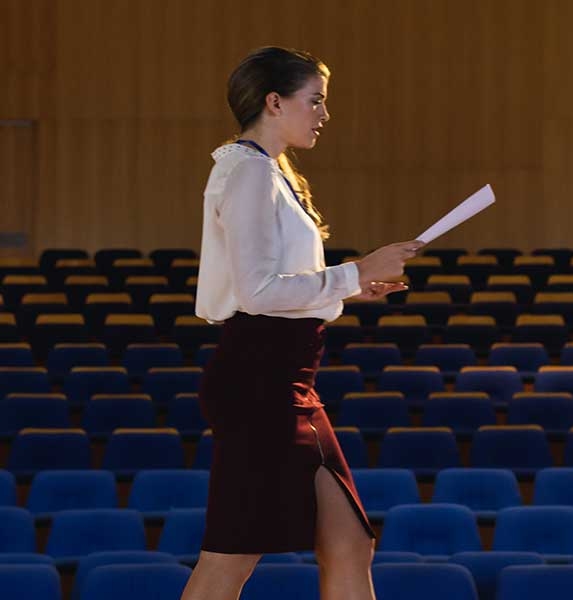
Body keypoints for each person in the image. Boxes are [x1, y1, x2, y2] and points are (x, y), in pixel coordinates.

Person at [182, 46, 422, 600]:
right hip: (259, 381)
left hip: (289, 379)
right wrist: (355, 270)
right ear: (274, 102)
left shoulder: (269, 172)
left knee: (348, 543)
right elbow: (258, 292)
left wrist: (354, 287)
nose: (323, 114)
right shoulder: (247, 173)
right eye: (315, 101)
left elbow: (283, 288)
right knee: (231, 554)